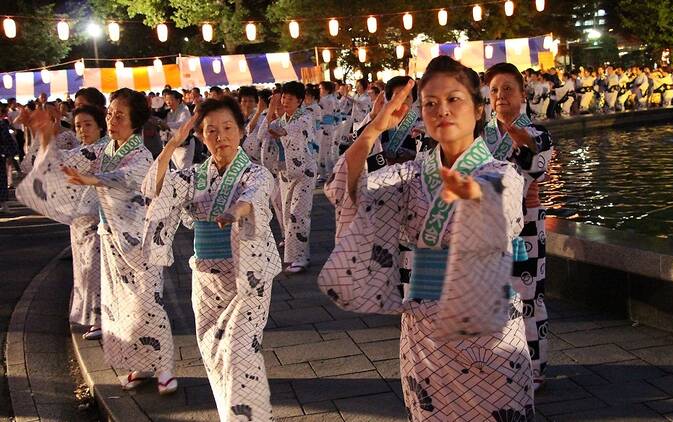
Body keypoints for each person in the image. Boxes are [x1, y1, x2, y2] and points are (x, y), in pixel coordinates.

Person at [318, 56, 533, 420]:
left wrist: (471, 191)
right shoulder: (410, 174)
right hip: (424, 331)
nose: (441, 111)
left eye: (454, 100)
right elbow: (349, 190)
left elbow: (505, 202)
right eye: (430, 103)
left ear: (479, 109)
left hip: (488, 327)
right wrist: (375, 126)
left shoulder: (501, 171)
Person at [18, 88, 177, 395]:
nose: (112, 120)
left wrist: (96, 180)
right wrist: (44, 134)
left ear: (135, 120)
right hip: (111, 239)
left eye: (119, 115)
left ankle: (165, 368)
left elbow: (129, 177)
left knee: (147, 303)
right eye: (110, 114)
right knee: (121, 306)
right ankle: (140, 364)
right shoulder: (104, 150)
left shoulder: (140, 154)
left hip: (140, 242)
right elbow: (66, 160)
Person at [142, 97, 280, 421]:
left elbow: (257, 194)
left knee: (239, 352)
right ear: (201, 136)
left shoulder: (254, 173)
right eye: (211, 131)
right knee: (216, 356)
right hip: (205, 279)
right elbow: (155, 188)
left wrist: (237, 211)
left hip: (249, 277)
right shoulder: (192, 177)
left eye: (228, 128)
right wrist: (174, 142)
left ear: (242, 131)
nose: (221, 137)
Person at [484, 62, 554, 392]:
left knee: (528, 296)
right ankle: (503, 360)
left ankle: (534, 365)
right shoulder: (480, 136)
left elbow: (537, 165)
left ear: (523, 95)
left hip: (525, 227)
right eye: (495, 90)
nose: (500, 96)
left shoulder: (538, 134)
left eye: (508, 89)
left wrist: (521, 140)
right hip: (489, 229)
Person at [17, 105, 108, 338]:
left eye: (88, 124)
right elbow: (47, 164)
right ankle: (94, 318)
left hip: (100, 221)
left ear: (100, 125)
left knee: (95, 271)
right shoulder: (84, 149)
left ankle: (101, 320)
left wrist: (45, 133)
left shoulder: (102, 150)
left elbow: (58, 162)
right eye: (78, 125)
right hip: (80, 221)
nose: (82, 130)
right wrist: (42, 132)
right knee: (85, 271)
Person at [259, 82, 317, 274]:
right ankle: (297, 256)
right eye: (283, 97)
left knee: (298, 214)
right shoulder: (281, 119)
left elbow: (284, 132)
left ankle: (300, 258)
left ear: (300, 100)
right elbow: (262, 134)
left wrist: (274, 125)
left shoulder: (306, 116)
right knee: (286, 215)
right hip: (284, 172)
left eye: (289, 98)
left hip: (305, 172)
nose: (285, 101)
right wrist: (270, 110)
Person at [157, 90, 193, 169]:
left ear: (178, 100)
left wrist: (167, 125)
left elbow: (182, 123)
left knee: (184, 169)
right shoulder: (169, 112)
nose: (168, 102)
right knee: (175, 170)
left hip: (185, 145)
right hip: (174, 144)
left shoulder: (184, 110)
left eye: (171, 100)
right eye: (167, 100)